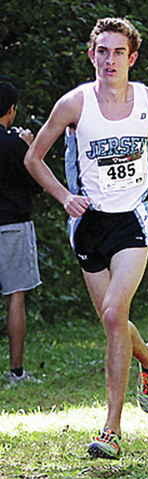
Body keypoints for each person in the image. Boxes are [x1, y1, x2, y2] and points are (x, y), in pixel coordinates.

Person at [24, 18, 148, 459]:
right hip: (88, 224)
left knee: (116, 313)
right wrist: (64, 197)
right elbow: (33, 157)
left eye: (118, 52)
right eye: (102, 51)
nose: (109, 60)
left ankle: (111, 430)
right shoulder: (74, 104)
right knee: (112, 321)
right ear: (92, 54)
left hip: (132, 220)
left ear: (132, 58)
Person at [0, 82, 43, 386]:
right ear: (11, 110)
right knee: (15, 295)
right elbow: (37, 184)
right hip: (13, 225)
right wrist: (29, 148)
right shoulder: (16, 145)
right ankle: (16, 372)